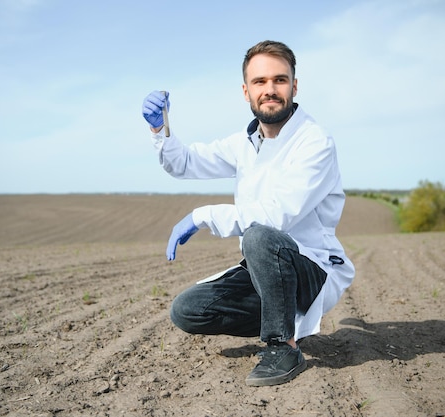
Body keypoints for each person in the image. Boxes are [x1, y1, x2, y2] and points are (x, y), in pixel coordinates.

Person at [141, 40, 355, 387]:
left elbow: (275, 217)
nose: (270, 90)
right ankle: (280, 316)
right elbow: (184, 163)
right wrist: (159, 129)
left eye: (279, 80)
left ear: (294, 86)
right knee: (188, 310)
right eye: (260, 82)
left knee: (259, 234)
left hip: (311, 268)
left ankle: (282, 346)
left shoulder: (314, 142)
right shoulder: (245, 142)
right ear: (246, 91)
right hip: (266, 269)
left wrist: (202, 215)